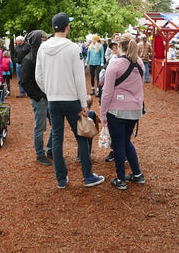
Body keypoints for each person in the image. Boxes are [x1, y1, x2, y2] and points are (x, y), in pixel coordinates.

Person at [36, 12, 105, 189]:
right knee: (81, 135)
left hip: (54, 100)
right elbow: (79, 78)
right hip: (72, 99)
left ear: (53, 28)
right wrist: (83, 102)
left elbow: (39, 77)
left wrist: (50, 91)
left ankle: (61, 179)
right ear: (67, 27)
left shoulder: (42, 48)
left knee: (57, 139)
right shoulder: (73, 48)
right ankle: (88, 176)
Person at [100, 33, 145, 190]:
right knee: (125, 142)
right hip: (134, 109)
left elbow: (107, 92)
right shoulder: (140, 63)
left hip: (117, 110)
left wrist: (103, 113)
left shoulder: (115, 64)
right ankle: (137, 174)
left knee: (118, 144)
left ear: (119, 45)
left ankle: (121, 179)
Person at [20, 30, 53, 166]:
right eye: (43, 40)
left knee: (56, 125)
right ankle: (40, 154)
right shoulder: (28, 59)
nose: (46, 42)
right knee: (40, 127)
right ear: (36, 42)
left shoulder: (46, 56)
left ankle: (50, 150)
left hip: (49, 96)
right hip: (40, 98)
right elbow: (24, 82)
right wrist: (38, 97)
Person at [77, 95, 98, 162]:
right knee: (89, 143)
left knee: (81, 143)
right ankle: (88, 155)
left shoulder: (79, 112)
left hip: (81, 130)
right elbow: (95, 122)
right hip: (89, 131)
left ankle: (79, 156)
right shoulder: (92, 112)